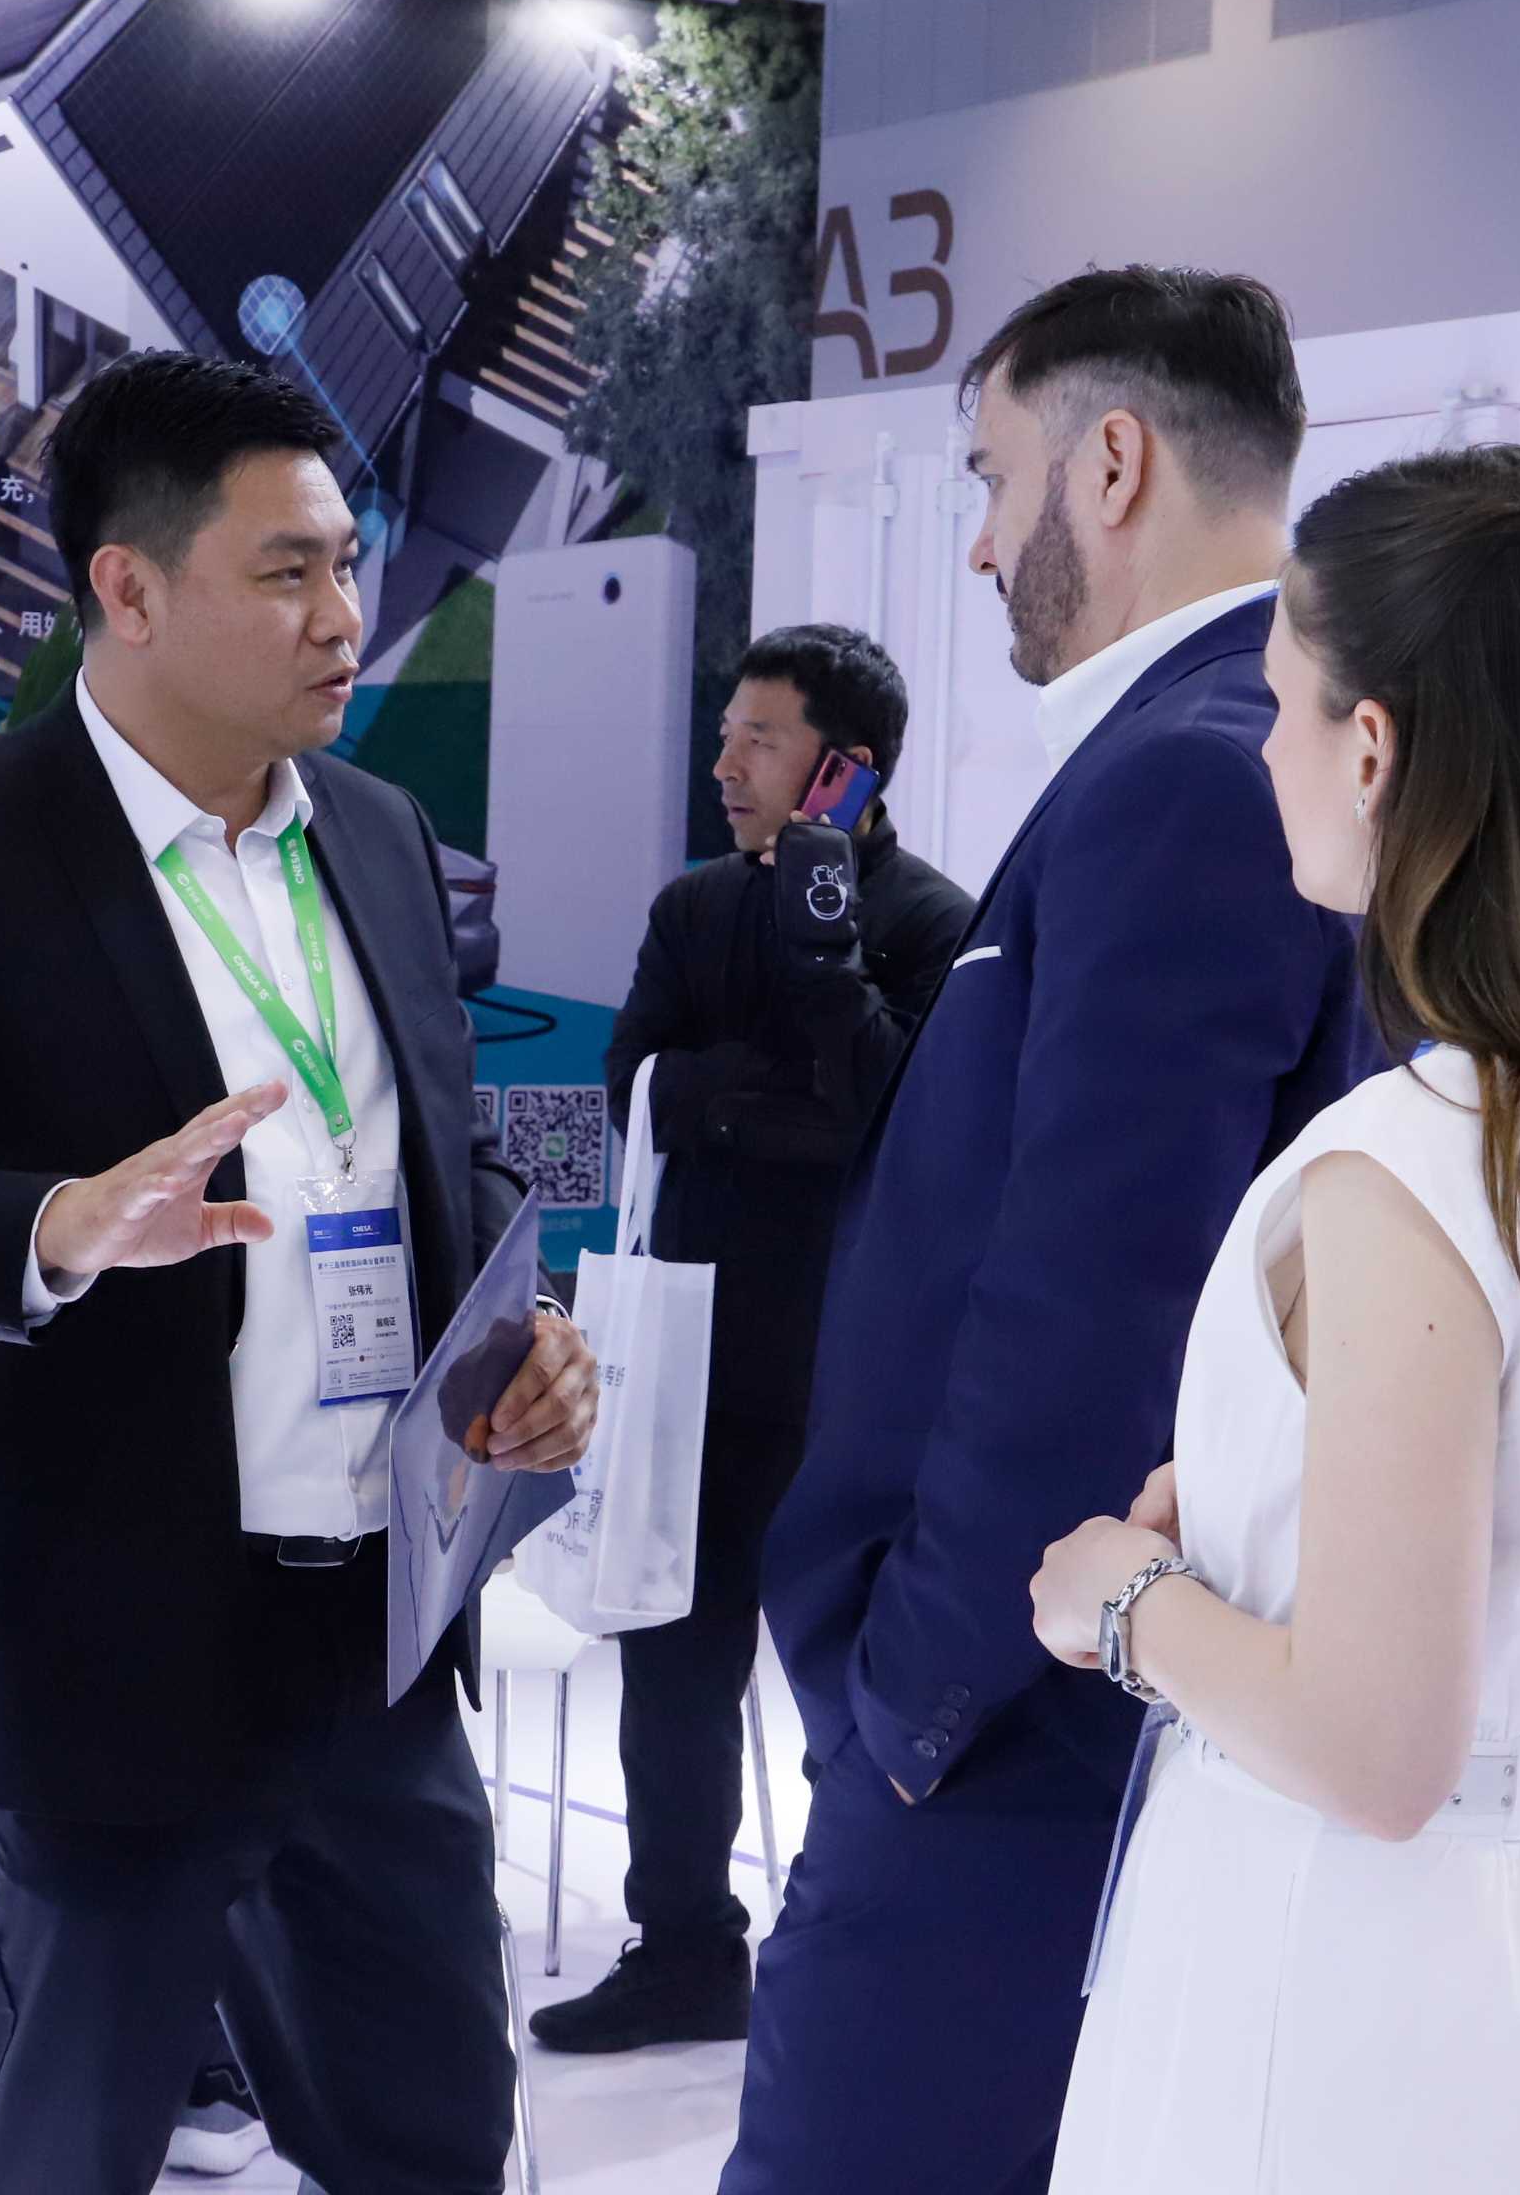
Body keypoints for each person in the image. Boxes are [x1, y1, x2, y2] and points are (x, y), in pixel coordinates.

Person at [0, 350, 601, 2195]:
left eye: (347, 563)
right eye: (287, 573)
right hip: (97, 1652)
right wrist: (47, 1227)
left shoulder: (376, 835)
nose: (344, 616)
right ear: (126, 587)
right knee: (66, 2148)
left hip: (375, 1645)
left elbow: (429, 1156)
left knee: (438, 2139)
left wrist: (516, 1345)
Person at [1035, 442, 1520, 2190]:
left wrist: (1121, 1599)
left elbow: (1377, 1751)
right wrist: (1266, 1519)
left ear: (1374, 746)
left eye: (1283, 705)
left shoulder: (1409, 1169)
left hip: (1369, 1993)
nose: (1267, 752)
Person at [725, 267, 1371, 2195]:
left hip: (1018, 1723)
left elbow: (1100, 1298)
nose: (986, 543)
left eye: (994, 479)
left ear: (1114, 462)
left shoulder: (1191, 772)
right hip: (1071, 1691)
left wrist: (919, 1686)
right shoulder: (1236, 748)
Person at [550, 624, 971, 2053]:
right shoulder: (691, 907)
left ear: (844, 768)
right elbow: (636, 1085)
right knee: (670, 1670)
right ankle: (683, 1953)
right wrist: (771, 1098)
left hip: (850, 1373)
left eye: (759, 738)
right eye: (725, 733)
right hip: (687, 1356)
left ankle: (868, 1947)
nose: (724, 763)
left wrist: (816, 961)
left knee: (853, 1683)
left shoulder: (930, 917)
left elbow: (897, 1116)